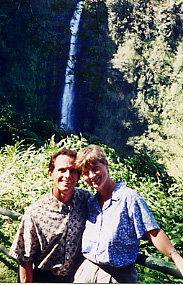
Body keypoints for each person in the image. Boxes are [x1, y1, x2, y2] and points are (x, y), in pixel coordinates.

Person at [74, 144, 183, 283]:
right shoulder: (90, 202)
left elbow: (153, 232)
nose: (91, 176)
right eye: (85, 172)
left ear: (106, 165)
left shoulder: (129, 198)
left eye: (95, 169)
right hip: (86, 271)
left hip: (116, 276)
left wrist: (175, 256)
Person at [9, 148, 90, 283]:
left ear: (78, 175)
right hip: (45, 279)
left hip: (79, 278)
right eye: (62, 170)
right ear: (50, 173)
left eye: (73, 170)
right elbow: (24, 259)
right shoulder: (35, 212)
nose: (68, 175)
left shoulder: (86, 200)